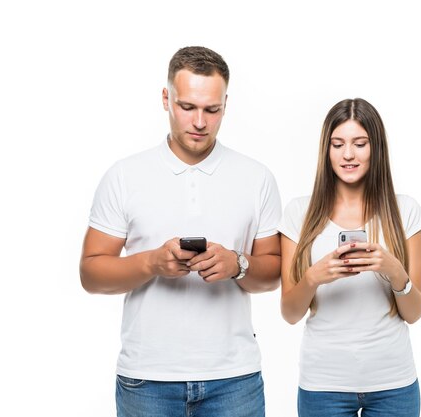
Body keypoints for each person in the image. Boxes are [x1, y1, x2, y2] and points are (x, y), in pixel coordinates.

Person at [80, 46, 282, 417]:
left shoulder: (257, 178)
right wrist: (152, 263)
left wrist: (237, 264)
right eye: (187, 107)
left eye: (212, 109)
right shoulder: (125, 176)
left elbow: (273, 273)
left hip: (234, 378)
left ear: (225, 104)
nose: (200, 122)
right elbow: (91, 274)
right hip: (147, 379)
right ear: (165, 99)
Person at [278, 98, 421, 417]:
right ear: (326, 150)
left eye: (360, 143)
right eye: (338, 144)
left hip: (394, 385)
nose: (348, 154)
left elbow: (414, 313)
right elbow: (290, 313)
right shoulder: (298, 213)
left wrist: (394, 271)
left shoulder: (406, 211)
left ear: (376, 149)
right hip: (323, 386)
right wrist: (314, 277)